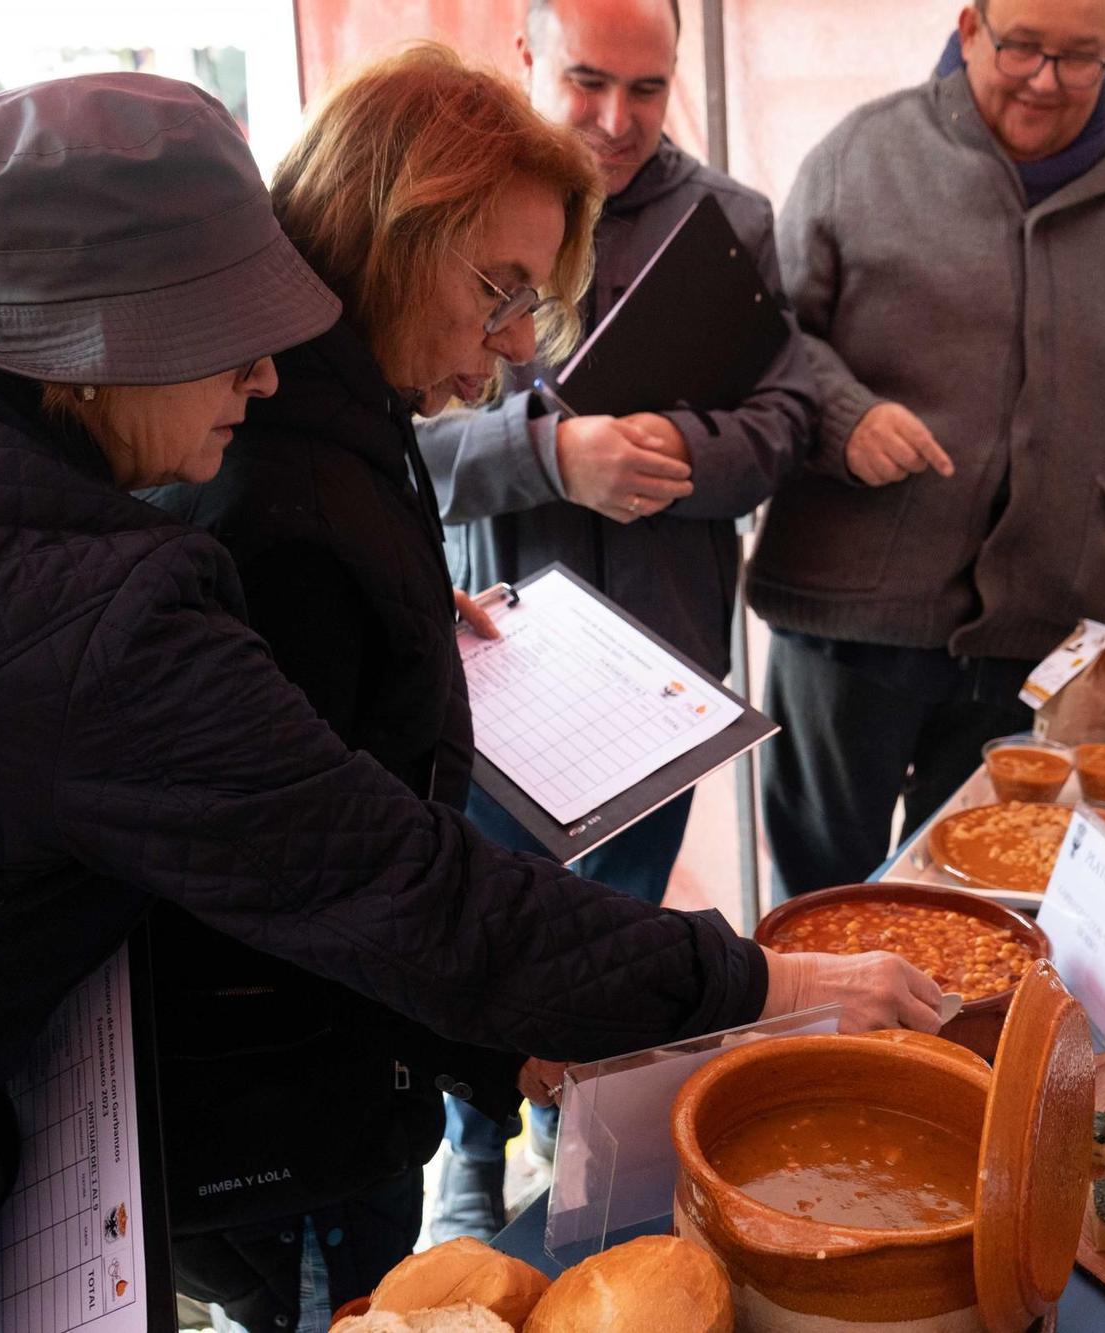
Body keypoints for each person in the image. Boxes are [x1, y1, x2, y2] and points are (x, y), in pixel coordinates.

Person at [0, 72, 941, 1331]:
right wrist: (764, 984)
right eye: (229, 336)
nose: (263, 374)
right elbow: (399, 889)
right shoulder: (98, 601)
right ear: (93, 352)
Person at [140, 48, 604, 1328]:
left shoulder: (333, 406)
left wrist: (402, 619)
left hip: (334, 1068)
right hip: (287, 1104)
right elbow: (312, 890)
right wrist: (499, 1037)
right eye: (499, 293)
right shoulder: (274, 490)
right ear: (388, 236)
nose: (513, 350)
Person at [416, 0, 816, 1240]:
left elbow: (789, 419)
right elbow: (396, 447)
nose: (616, 120)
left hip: (659, 668)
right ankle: (472, 1144)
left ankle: (577, 1125)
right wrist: (552, 454)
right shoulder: (449, 214)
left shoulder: (731, 223)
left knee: (621, 921)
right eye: (588, 82)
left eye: (646, 91)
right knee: (474, 912)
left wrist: (677, 452)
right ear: (525, 56)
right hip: (490, 650)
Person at [747, 0, 1105, 896]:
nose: (1046, 81)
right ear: (971, 26)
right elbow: (766, 339)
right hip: (847, 629)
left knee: (992, 906)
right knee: (827, 902)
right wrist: (844, 416)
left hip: (1044, 640)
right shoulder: (859, 157)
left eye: (1079, 59)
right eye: (1022, 47)